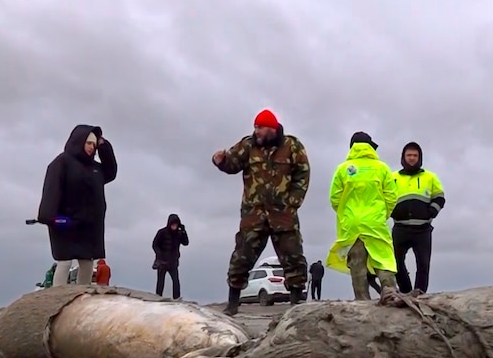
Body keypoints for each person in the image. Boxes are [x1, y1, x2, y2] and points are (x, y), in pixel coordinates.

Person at [212, 109, 310, 315]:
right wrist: (220, 161)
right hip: (254, 213)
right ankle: (232, 304)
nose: (256, 131)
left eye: (260, 127)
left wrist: (293, 202)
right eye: (255, 127)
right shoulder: (247, 145)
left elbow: (303, 172)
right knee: (242, 256)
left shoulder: (292, 146)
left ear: (272, 128)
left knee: (293, 256)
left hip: (283, 213)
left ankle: (295, 302)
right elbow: (232, 164)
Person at [37, 124, 117, 286]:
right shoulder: (61, 163)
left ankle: (82, 297)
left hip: (88, 225)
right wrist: (51, 218)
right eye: (88, 143)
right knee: (64, 261)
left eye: (94, 145)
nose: (91, 148)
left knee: (87, 262)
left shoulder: (95, 169)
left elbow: (111, 171)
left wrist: (104, 145)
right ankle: (57, 297)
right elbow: (51, 191)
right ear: (79, 141)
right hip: (65, 222)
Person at [326, 131, 399, 302]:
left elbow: (334, 198)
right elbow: (392, 196)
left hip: (352, 223)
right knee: (383, 257)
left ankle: (362, 300)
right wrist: (382, 214)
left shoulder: (343, 169)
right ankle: (389, 291)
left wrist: (346, 215)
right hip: (375, 221)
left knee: (357, 264)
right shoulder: (382, 168)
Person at [390, 141, 446, 296]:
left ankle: (419, 294)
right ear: (403, 157)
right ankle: (406, 291)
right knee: (395, 263)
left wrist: (431, 212)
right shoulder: (392, 177)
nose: (412, 158)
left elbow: (440, 197)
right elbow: (384, 198)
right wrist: (392, 212)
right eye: (409, 155)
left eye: (415, 155)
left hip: (423, 229)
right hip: (400, 228)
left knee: (423, 264)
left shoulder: (430, 177)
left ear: (420, 157)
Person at [151, 214, 189, 300]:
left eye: (176, 224)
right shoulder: (162, 232)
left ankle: (177, 298)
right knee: (160, 282)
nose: (174, 226)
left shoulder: (179, 234)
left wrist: (183, 231)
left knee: (176, 281)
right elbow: (155, 245)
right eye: (173, 224)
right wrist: (159, 254)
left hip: (173, 262)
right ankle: (157, 297)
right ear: (169, 223)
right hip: (162, 262)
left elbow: (186, 243)